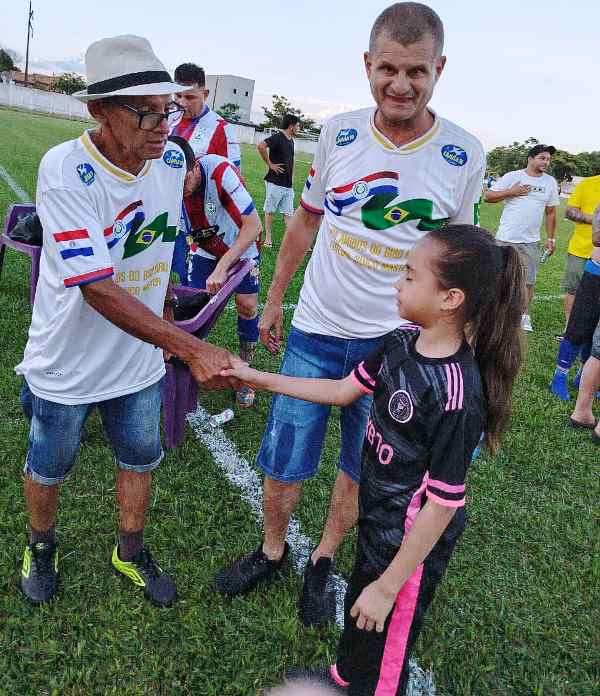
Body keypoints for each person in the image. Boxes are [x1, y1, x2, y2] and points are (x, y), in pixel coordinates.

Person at [215, 2, 486, 629]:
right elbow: (305, 219)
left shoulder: (462, 154)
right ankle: (272, 550)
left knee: (360, 467)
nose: (400, 84)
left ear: (439, 69)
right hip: (316, 327)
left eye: (416, 71)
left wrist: (458, 341)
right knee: (284, 454)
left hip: (398, 349)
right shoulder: (337, 134)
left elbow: (463, 259)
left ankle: (324, 561)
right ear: (367, 65)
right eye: (387, 68)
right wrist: (278, 295)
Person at [222, 225, 524, 696]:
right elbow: (343, 392)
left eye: (409, 276)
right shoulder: (402, 340)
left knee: (383, 636)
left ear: (450, 298)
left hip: (409, 545)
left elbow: (442, 505)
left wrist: (390, 586)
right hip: (377, 521)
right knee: (360, 611)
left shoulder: (458, 394)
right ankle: (345, 675)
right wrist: (257, 378)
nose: (396, 285)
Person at [15, 35, 241, 607]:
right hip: (66, 361)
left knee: (139, 458)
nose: (161, 126)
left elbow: (157, 248)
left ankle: (131, 550)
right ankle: (41, 546)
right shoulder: (65, 170)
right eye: (144, 112)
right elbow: (97, 288)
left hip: (138, 362)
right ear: (99, 111)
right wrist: (191, 348)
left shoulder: (168, 160)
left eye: (167, 110)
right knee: (50, 464)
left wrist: (165, 312)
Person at [170, 134, 263, 407]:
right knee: (195, 307)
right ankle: (190, 365)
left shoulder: (220, 172)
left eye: (185, 180)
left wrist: (223, 267)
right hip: (202, 247)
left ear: (195, 167)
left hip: (242, 245)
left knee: (246, 305)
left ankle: (245, 372)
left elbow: (254, 225)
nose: (180, 188)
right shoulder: (168, 182)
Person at [483, 144, 559, 332]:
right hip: (506, 238)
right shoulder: (513, 176)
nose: (546, 162)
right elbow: (488, 196)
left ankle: (523, 316)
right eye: (542, 158)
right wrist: (512, 192)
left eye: (548, 159)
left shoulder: (549, 182)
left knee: (528, 281)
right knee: (499, 277)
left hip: (530, 242)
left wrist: (551, 239)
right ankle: (495, 313)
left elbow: (550, 212)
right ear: (530, 158)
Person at [550, 203, 600, 404]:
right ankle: (559, 377)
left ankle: (584, 376)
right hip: (596, 274)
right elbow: (597, 239)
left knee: (597, 334)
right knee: (579, 328)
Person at [171, 63, 241, 168]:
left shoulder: (223, 129)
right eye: (178, 95)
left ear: (205, 94)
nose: (182, 103)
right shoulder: (165, 117)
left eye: (190, 97)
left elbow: (232, 177)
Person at [560, 174, 600, 333]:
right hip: (580, 250)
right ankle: (569, 329)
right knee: (573, 290)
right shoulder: (588, 184)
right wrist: (595, 219)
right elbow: (569, 211)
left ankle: (593, 332)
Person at [258, 114, 300, 247]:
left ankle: (293, 241)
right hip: (275, 182)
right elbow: (261, 146)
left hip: (287, 185)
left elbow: (291, 160)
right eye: (297, 125)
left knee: (288, 213)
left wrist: (291, 177)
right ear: (291, 126)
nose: (299, 128)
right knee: (269, 210)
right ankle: (268, 239)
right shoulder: (278, 137)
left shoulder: (291, 140)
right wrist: (270, 164)